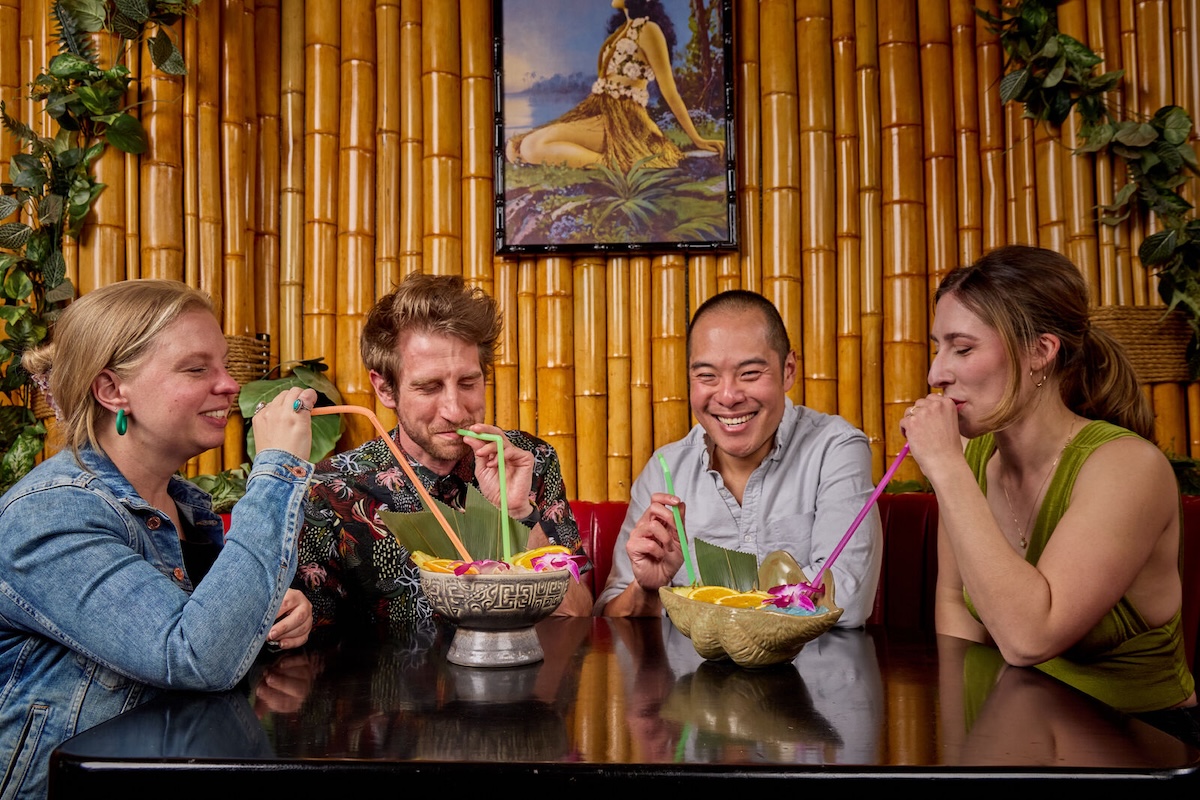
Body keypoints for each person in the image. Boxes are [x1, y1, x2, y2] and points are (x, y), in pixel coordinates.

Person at [0, 279, 317, 800]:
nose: (230, 384)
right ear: (111, 390)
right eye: (197, 369)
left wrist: (269, 615)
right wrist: (279, 468)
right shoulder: (49, 514)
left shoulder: (185, 506)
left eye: (223, 365)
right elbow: (193, 655)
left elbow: (212, 640)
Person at [900, 244, 1199, 745]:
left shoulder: (1128, 468)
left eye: (963, 348)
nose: (936, 374)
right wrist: (957, 756)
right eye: (938, 347)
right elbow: (955, 606)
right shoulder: (972, 460)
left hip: (1145, 745)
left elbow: (1029, 637)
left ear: (1041, 350)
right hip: (1020, 737)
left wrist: (946, 468)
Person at [295, 271, 593, 636]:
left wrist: (519, 515)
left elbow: (578, 618)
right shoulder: (333, 489)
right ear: (385, 388)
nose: (454, 409)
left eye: (468, 383)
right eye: (429, 387)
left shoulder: (529, 459)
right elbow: (311, 639)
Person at [594, 290, 883, 628]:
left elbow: (847, 599)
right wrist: (648, 590)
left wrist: (695, 604)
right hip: (691, 679)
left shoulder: (834, 449)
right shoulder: (665, 470)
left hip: (817, 676)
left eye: (749, 373)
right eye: (706, 376)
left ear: (788, 370)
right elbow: (609, 618)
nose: (728, 396)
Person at [505, 0, 725, 170]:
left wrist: (696, 138)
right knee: (513, 148)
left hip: (627, 121)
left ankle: (615, 164)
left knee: (531, 148)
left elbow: (669, 91)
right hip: (601, 111)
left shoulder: (649, 30)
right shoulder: (622, 31)